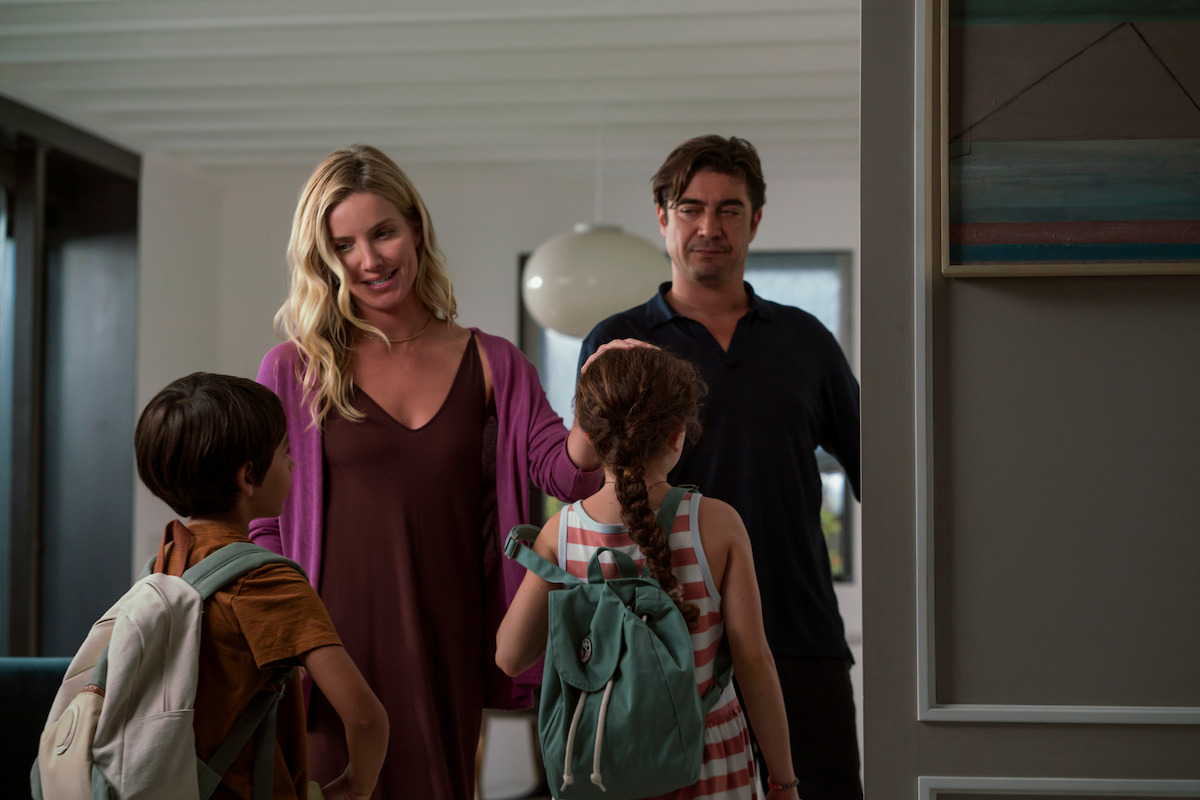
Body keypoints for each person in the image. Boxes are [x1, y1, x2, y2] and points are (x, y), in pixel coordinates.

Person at [250, 144, 604, 800]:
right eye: (344, 245)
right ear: (323, 259)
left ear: (415, 227)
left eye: (383, 232)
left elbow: (570, 476)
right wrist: (294, 643)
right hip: (330, 648)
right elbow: (264, 524)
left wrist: (608, 400)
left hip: (449, 639)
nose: (369, 259)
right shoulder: (294, 368)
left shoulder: (495, 363)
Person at [578, 135, 863, 799]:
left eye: (730, 210)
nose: (709, 227)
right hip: (664, 633)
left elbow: (883, 472)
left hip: (797, 627)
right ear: (662, 217)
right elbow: (586, 479)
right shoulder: (620, 342)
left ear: (755, 220)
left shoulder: (805, 341)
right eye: (690, 208)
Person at [496, 346, 802, 800]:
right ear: (678, 435)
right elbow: (754, 662)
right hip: (709, 757)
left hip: (603, 759)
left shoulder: (561, 533)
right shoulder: (716, 524)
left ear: (593, 436)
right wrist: (784, 781)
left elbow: (510, 657)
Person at [134, 372, 388, 800]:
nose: (292, 464)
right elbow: (365, 718)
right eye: (286, 453)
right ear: (248, 477)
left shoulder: (163, 562)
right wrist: (354, 786)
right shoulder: (267, 581)